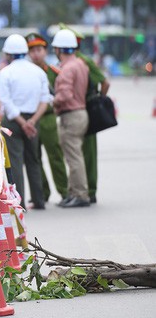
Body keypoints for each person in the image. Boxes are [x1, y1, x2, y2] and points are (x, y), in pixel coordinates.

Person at [0, 34, 50, 209]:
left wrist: (22, 123)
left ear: (8, 54)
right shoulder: (39, 72)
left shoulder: (5, 73)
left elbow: (6, 102)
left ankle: (18, 204)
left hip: (13, 122)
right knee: (34, 159)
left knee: (15, 161)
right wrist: (32, 122)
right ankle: (39, 199)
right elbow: (45, 100)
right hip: (34, 120)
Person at [25, 33, 68, 202]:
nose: (36, 54)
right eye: (32, 50)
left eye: (39, 50)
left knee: (55, 156)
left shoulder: (55, 72)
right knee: (34, 158)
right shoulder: (25, 72)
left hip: (49, 118)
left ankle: (65, 191)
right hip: (31, 119)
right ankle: (41, 193)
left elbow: (62, 93)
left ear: (45, 51)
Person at [52, 29, 90, 208]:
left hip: (71, 115)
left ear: (59, 50)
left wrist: (53, 101)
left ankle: (81, 195)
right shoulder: (81, 64)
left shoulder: (67, 69)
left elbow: (65, 95)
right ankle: (74, 193)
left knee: (73, 158)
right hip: (80, 112)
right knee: (75, 156)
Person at [72, 29, 110, 204]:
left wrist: (97, 102)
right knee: (75, 153)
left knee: (88, 152)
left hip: (86, 106)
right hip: (74, 109)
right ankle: (77, 191)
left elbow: (105, 82)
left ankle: (91, 191)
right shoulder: (70, 61)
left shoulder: (84, 61)